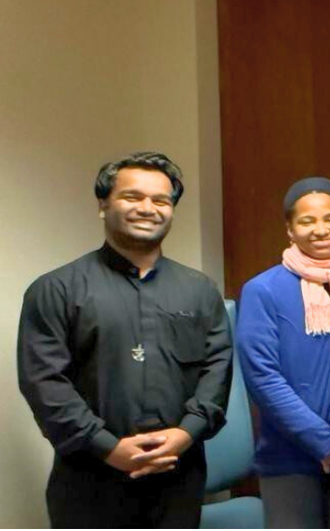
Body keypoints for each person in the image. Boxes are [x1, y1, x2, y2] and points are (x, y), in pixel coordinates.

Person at [17, 152, 232, 528]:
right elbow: (44, 382)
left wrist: (186, 434)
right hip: (89, 479)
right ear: (103, 204)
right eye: (132, 197)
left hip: (178, 478)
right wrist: (107, 447)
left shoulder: (200, 291)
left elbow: (217, 370)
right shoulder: (55, 290)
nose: (148, 208)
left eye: (161, 200)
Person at [238, 176, 330, 528]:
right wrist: (324, 442)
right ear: (290, 229)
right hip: (288, 458)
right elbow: (262, 378)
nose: (321, 229)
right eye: (307, 220)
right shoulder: (262, 290)